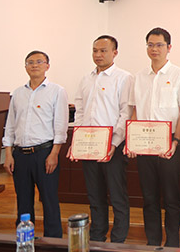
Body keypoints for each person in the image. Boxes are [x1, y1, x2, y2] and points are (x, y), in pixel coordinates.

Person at [126, 27, 180, 247]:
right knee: (149, 197)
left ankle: (172, 243)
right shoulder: (138, 77)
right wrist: (131, 140)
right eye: (150, 45)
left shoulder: (179, 75)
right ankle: (152, 241)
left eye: (159, 45)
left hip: (169, 142)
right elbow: (135, 111)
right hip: (143, 142)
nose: (154, 49)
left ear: (169, 47)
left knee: (171, 197)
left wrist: (176, 141)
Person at [68, 35, 133, 243]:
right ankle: (97, 237)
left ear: (115, 53)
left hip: (113, 147)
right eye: (95, 50)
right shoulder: (85, 79)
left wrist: (114, 143)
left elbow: (125, 113)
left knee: (117, 196)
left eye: (103, 50)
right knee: (95, 196)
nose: (98, 54)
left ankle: (118, 240)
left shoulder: (124, 78)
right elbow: (79, 112)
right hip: (88, 146)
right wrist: (76, 142)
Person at [2, 50, 68, 238]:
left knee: (49, 200)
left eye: (39, 61)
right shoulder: (18, 93)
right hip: (20, 155)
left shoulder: (57, 91)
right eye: (30, 62)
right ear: (25, 67)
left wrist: (54, 154)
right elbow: (11, 125)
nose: (34, 65)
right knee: (23, 201)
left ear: (47, 66)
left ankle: (53, 242)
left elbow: (60, 126)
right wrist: (8, 154)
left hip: (44, 153)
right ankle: (25, 240)